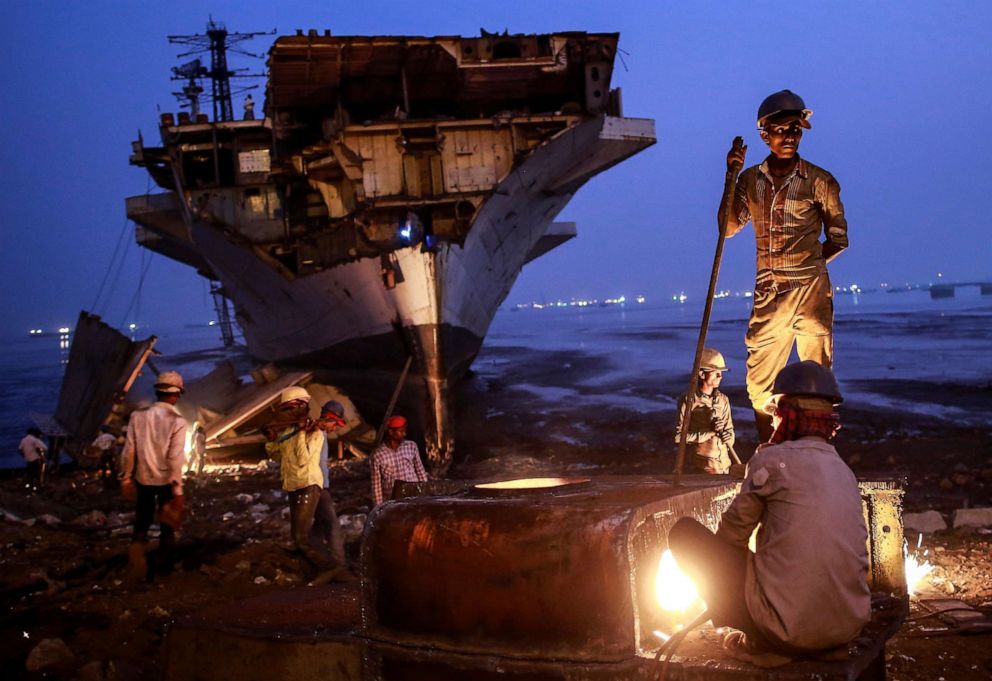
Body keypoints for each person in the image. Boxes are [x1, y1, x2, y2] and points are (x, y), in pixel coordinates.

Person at [668, 361, 869, 657]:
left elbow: (730, 537)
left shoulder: (771, 461)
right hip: (846, 628)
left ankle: (760, 643)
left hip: (785, 633)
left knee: (684, 534)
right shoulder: (844, 471)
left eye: (775, 415)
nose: (773, 423)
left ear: (785, 415)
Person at [719, 90, 849, 442]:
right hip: (768, 291)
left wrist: (808, 265)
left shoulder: (820, 181)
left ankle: (817, 451)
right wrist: (729, 177)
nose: (791, 136)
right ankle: (769, 451)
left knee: (817, 374)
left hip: (811, 290)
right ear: (765, 134)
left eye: (797, 130)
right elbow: (727, 228)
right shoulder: (749, 180)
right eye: (783, 130)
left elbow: (838, 237)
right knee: (759, 382)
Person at [264, 387, 339, 578]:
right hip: (293, 485)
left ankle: (331, 568)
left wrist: (300, 434)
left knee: (301, 536)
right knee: (300, 534)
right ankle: (319, 566)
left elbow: (303, 459)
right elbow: (277, 457)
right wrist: (271, 439)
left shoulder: (314, 432)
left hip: (308, 484)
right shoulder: (289, 430)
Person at [120, 371, 188, 581]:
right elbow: (175, 459)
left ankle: (137, 560)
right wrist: (178, 492)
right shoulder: (177, 421)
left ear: (157, 392)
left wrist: (126, 479)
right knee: (167, 525)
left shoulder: (137, 416)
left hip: (143, 480)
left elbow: (128, 451)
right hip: (167, 481)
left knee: (142, 520)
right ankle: (163, 568)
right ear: (177, 394)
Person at [674, 348, 735, 474]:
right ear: (702, 374)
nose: (720, 376)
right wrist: (709, 433)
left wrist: (728, 437)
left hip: (725, 466)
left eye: (721, 372)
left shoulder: (723, 400)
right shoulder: (689, 400)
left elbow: (730, 432)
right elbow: (679, 437)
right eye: (716, 372)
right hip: (703, 467)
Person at [370, 415, 428, 506]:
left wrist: (426, 494)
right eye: (401, 431)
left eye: (405, 431)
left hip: (414, 496)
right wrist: (379, 507)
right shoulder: (378, 455)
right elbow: (376, 484)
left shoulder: (411, 446)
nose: (404, 434)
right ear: (391, 432)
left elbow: (420, 471)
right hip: (392, 501)